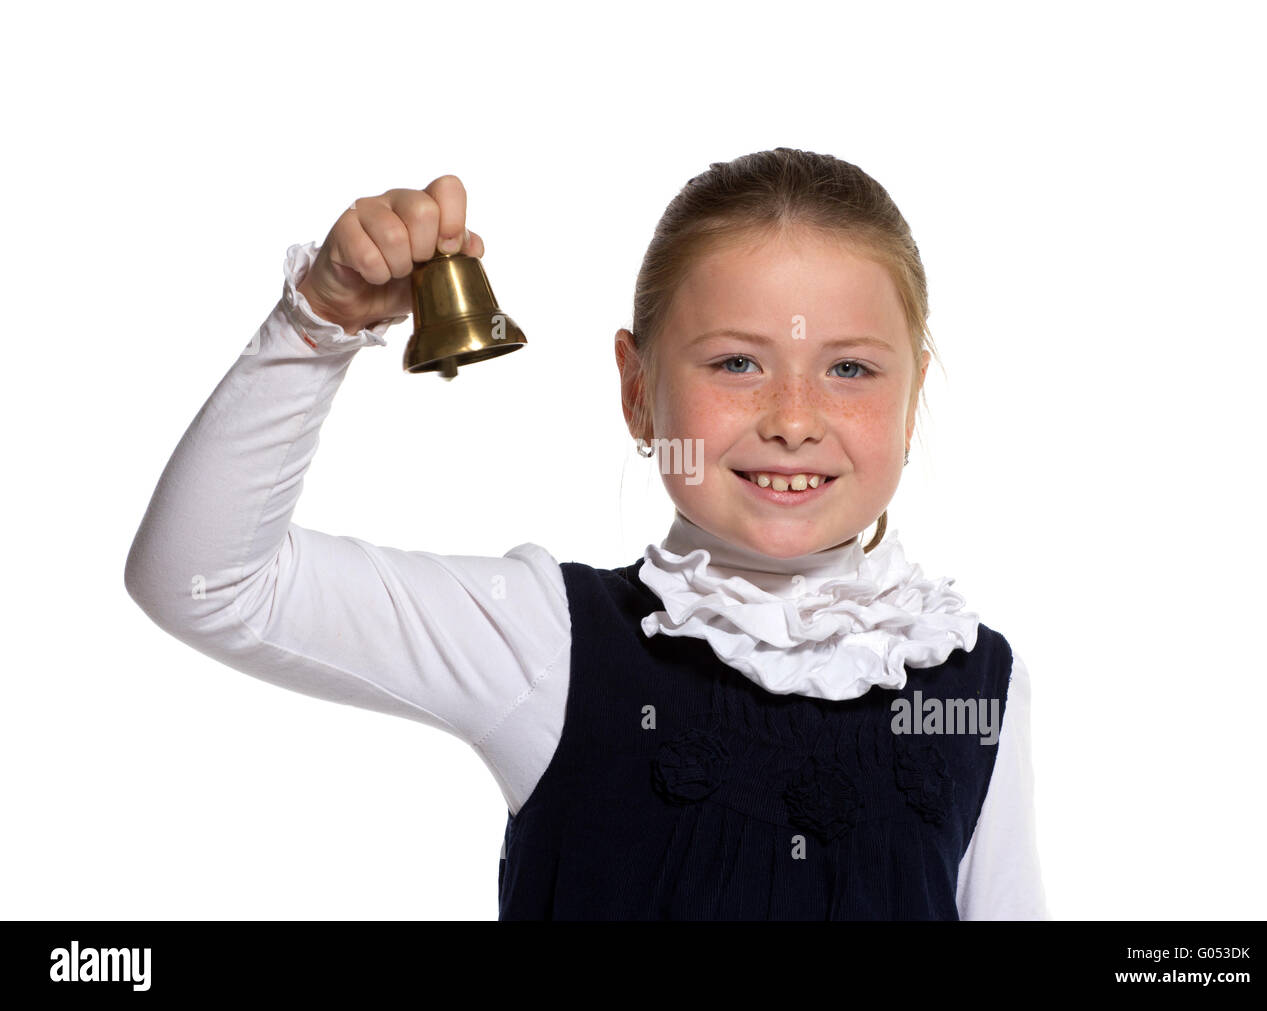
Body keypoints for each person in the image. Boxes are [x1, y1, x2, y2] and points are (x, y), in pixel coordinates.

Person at [124, 148, 1048, 920]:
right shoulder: (552, 642)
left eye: (849, 367)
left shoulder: (977, 686)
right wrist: (319, 320)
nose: (794, 418)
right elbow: (205, 582)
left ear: (913, 397)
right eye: (737, 362)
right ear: (637, 389)